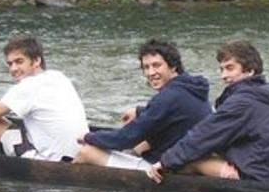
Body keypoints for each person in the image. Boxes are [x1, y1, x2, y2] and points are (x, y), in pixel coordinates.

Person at [147, 40, 269, 184]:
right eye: (222, 69)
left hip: (266, 178)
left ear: (250, 70)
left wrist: (164, 162)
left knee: (190, 161)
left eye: (230, 68)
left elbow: (204, 135)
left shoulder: (242, 102)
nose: (224, 76)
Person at [0, 32, 88, 161]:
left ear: (37, 61)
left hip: (49, 160)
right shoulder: (58, 76)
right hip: (80, 155)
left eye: (19, 62)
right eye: (10, 64)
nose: (13, 69)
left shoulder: (27, 86)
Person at [74, 38, 211, 172]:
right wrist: (140, 111)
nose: (151, 73)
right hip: (187, 158)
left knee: (87, 152)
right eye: (146, 67)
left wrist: (88, 137)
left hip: (166, 169)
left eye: (157, 65)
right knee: (141, 144)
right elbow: (172, 112)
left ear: (172, 66)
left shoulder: (167, 98)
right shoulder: (191, 88)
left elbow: (125, 139)